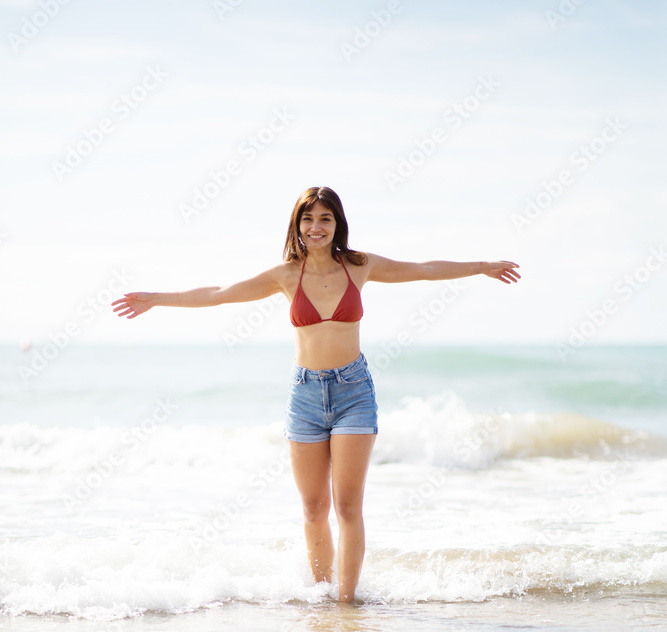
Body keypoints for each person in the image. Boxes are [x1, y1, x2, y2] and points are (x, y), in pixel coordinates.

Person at [112, 185, 520, 603]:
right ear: (298, 225)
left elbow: (422, 268)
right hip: (305, 396)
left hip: (354, 393)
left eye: (325, 218)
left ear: (337, 223)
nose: (316, 227)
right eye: (308, 219)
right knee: (313, 510)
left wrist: (482, 266)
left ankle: (347, 602)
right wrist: (156, 299)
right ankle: (323, 596)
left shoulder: (359, 266)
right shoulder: (286, 275)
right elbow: (219, 294)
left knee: (347, 508)